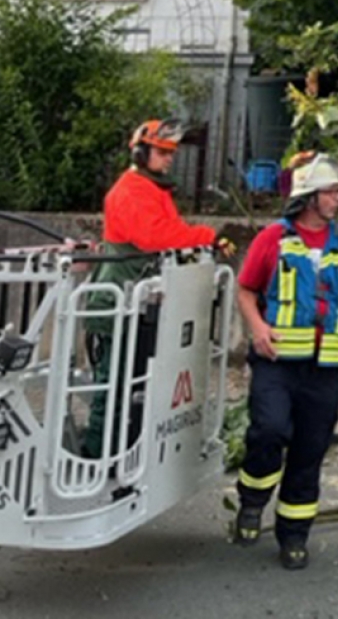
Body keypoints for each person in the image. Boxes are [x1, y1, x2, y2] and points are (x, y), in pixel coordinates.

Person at [232, 152, 338, 570]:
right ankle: (252, 501)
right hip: (276, 363)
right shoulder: (273, 238)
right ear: (310, 197)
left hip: (323, 369)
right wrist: (258, 327)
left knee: (310, 451)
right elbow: (244, 290)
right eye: (332, 191)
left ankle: (294, 535)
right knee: (269, 430)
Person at [82, 118, 235, 459]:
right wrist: (206, 236)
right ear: (140, 153)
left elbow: (171, 230)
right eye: (163, 152)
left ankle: (124, 454)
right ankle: (98, 456)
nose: (170, 158)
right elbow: (155, 237)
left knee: (134, 384)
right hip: (119, 299)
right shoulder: (130, 190)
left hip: (140, 301)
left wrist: (203, 241)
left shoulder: (153, 190)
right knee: (115, 387)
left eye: (172, 152)